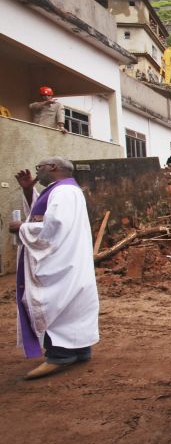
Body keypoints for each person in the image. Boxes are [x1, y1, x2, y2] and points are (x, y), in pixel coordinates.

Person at [8, 158, 99, 379]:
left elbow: (54, 226)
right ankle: (79, 349)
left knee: (56, 302)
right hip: (70, 261)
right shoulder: (63, 190)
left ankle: (59, 354)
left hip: (61, 264)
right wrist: (29, 192)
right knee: (74, 306)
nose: (37, 173)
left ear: (54, 168)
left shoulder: (63, 192)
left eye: (39, 168)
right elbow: (40, 214)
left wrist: (22, 227)